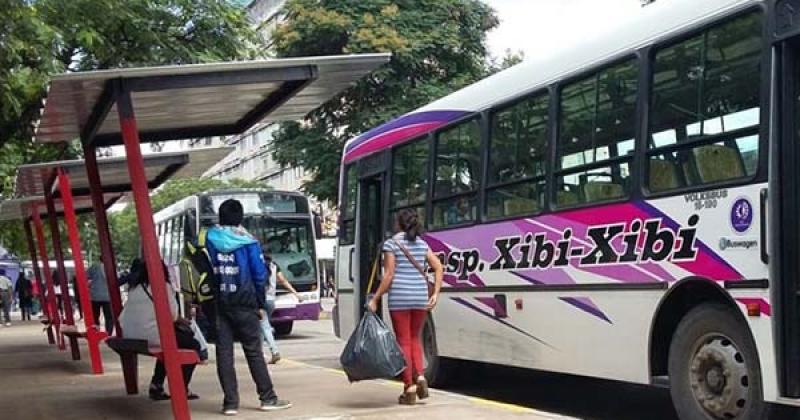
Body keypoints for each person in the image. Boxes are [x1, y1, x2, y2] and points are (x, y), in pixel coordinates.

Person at [205, 199, 291, 415]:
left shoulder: (211, 239)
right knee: (253, 351)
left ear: (220, 216)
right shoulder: (249, 242)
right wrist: (260, 304)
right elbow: (259, 274)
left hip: (221, 302)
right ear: (240, 217)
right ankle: (267, 397)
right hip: (245, 303)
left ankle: (230, 403)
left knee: (224, 354)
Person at [367, 208, 444, 405]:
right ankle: (420, 377)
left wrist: (375, 298)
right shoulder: (422, 244)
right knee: (415, 339)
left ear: (398, 224)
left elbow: (389, 275)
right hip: (420, 298)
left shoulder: (392, 244)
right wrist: (435, 293)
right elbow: (438, 267)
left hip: (400, 298)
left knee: (404, 342)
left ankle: (409, 387)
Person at [119, 259, 203, 401]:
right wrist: (185, 322)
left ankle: (156, 385)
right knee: (192, 345)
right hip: (151, 335)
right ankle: (182, 388)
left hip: (130, 335)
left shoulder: (135, 288)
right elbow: (173, 316)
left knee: (169, 345)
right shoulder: (163, 286)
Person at [260, 249, 301, 364]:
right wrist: (296, 293)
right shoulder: (274, 266)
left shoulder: (257, 265)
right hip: (271, 301)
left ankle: (274, 351)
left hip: (261, 301)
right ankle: (259, 353)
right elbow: (283, 281)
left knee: (264, 326)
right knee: (262, 326)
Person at [88, 260, 113, 334]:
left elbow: (87, 275)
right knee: (108, 317)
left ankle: (96, 332)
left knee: (95, 316)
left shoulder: (95, 266)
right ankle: (108, 333)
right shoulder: (110, 267)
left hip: (95, 295)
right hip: (107, 296)